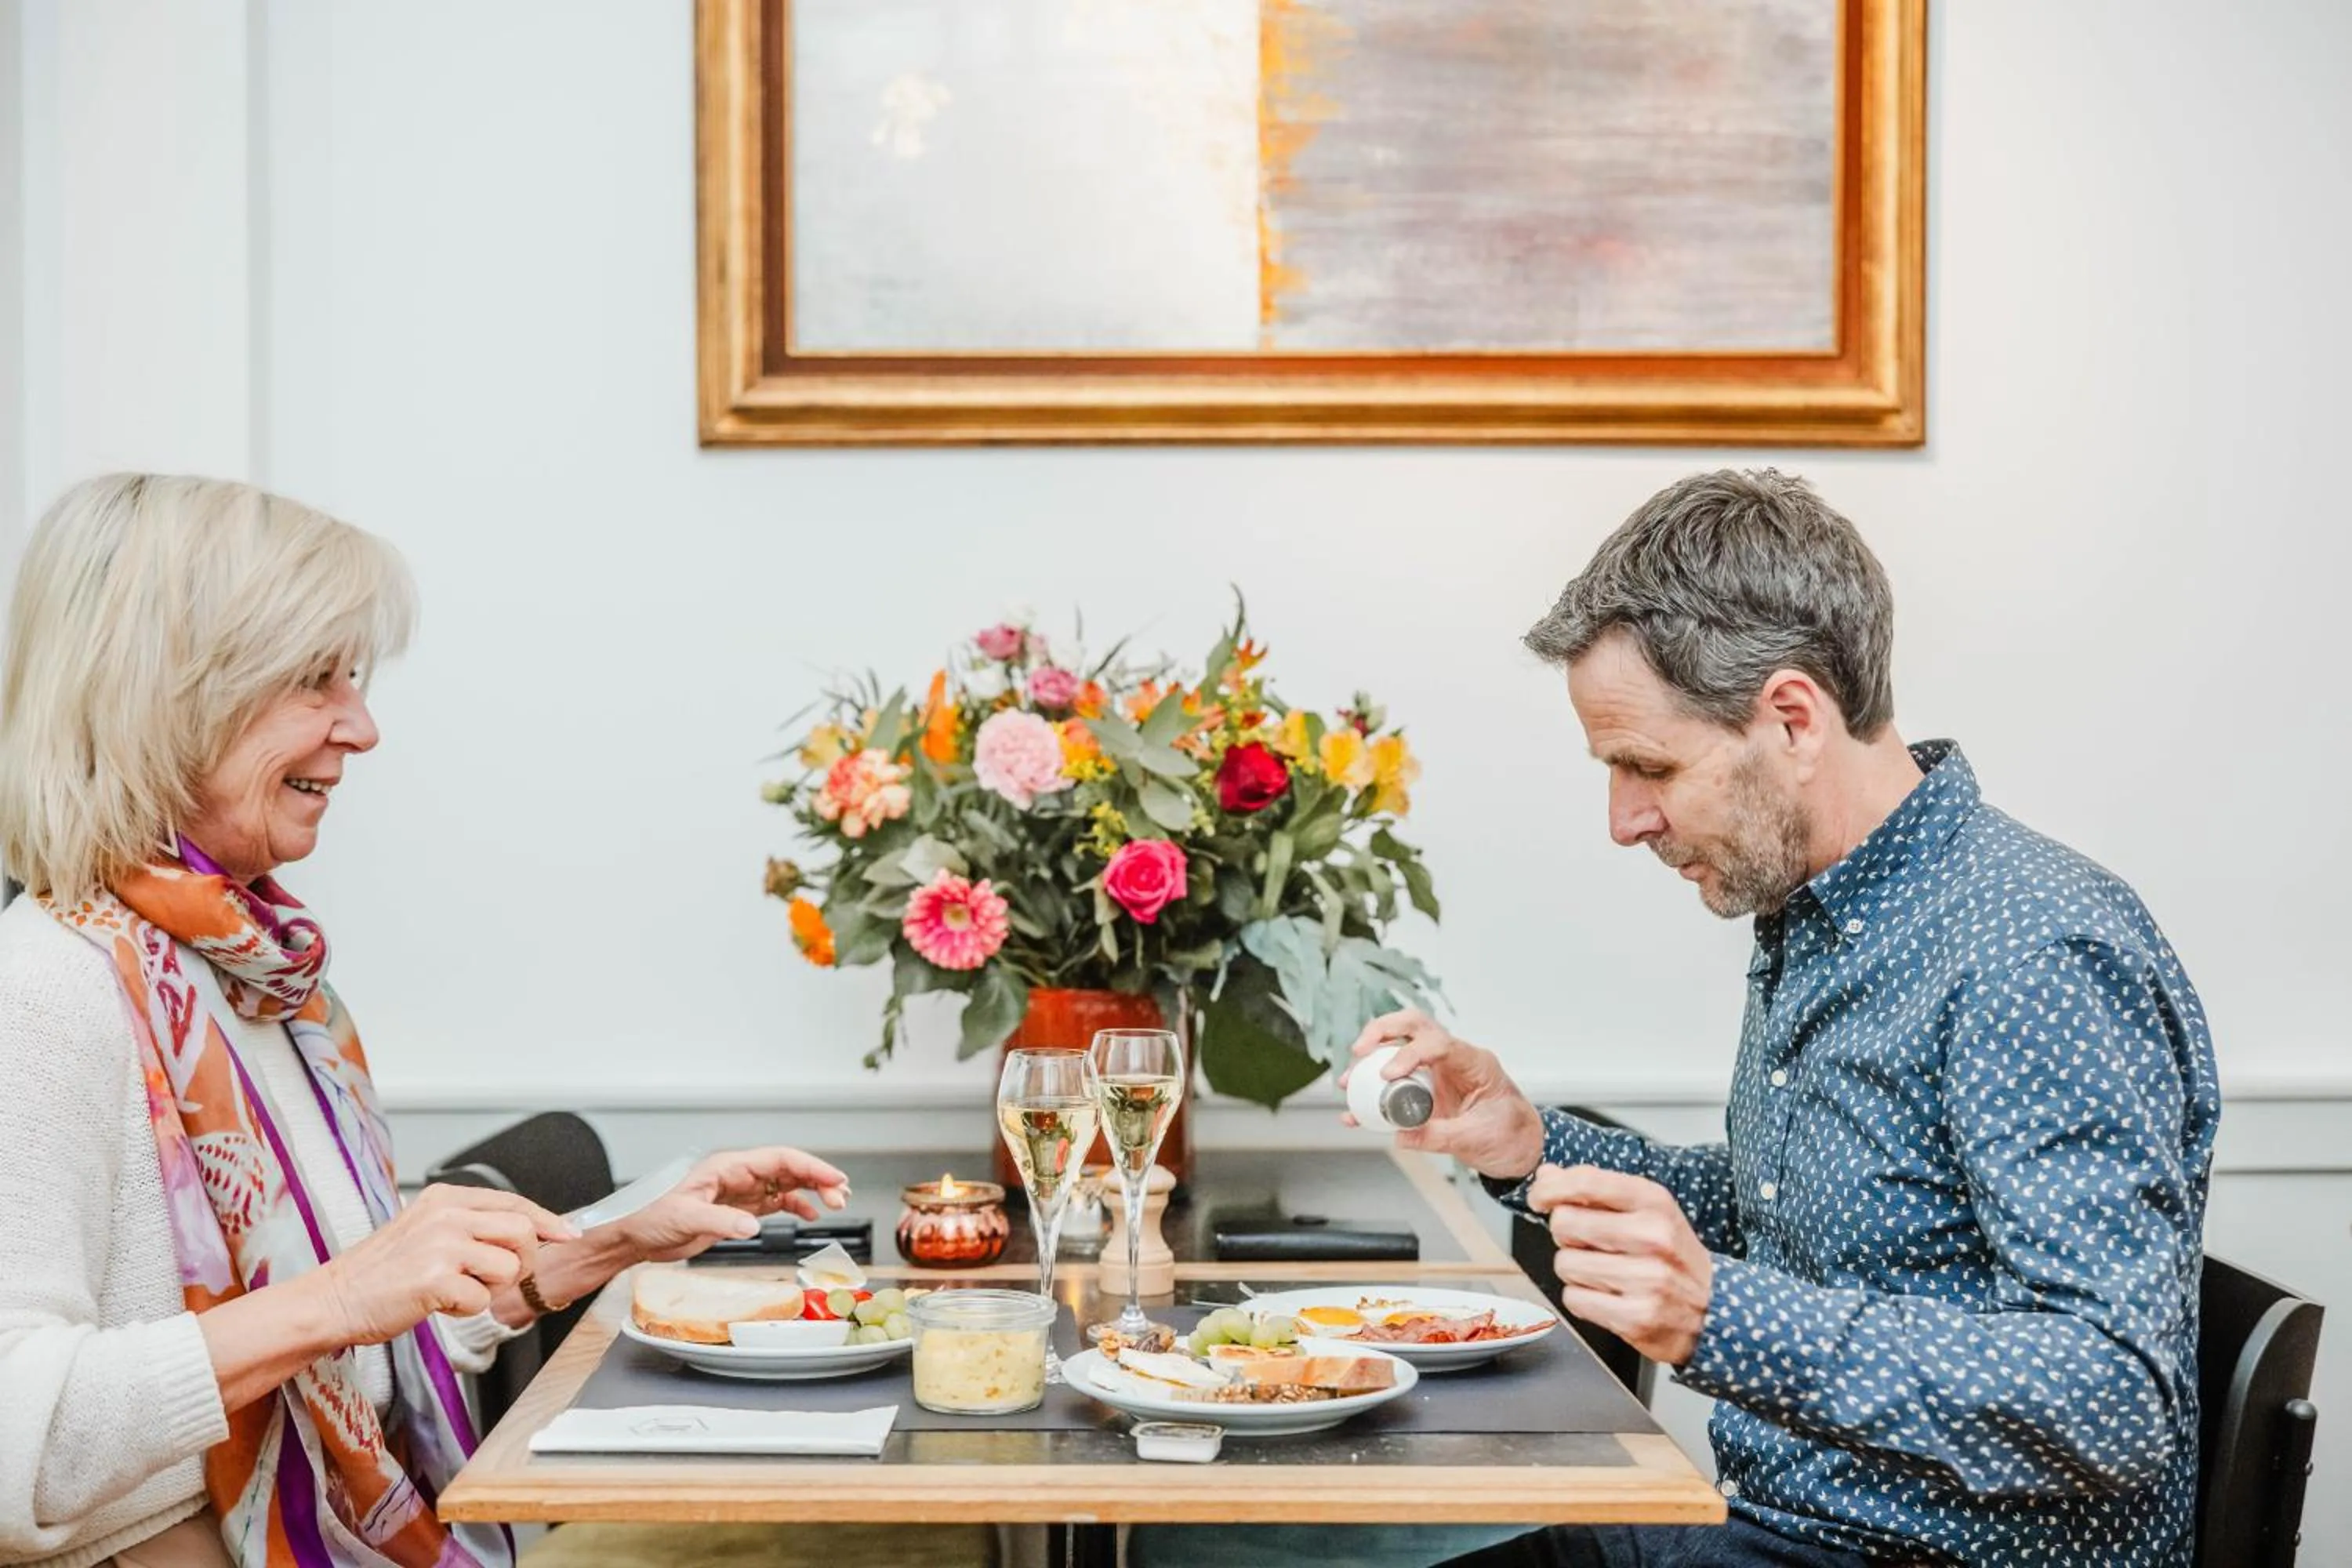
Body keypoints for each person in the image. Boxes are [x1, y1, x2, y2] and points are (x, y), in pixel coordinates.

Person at [1346, 470, 2219, 1567]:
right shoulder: (1830, 912)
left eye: (1647, 765)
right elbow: (1797, 1221)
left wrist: (1723, 1315)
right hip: (1772, 1532)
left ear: (1794, 719)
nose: (1624, 820)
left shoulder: (2032, 953)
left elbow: (2110, 1397)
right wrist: (1533, 1147)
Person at [0, 475, 851, 1568]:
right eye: (315, 681)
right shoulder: (45, 991)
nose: (361, 728)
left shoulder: (254, 977)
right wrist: (339, 1295)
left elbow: (350, 1362)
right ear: (161, 697)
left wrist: (602, 1245)